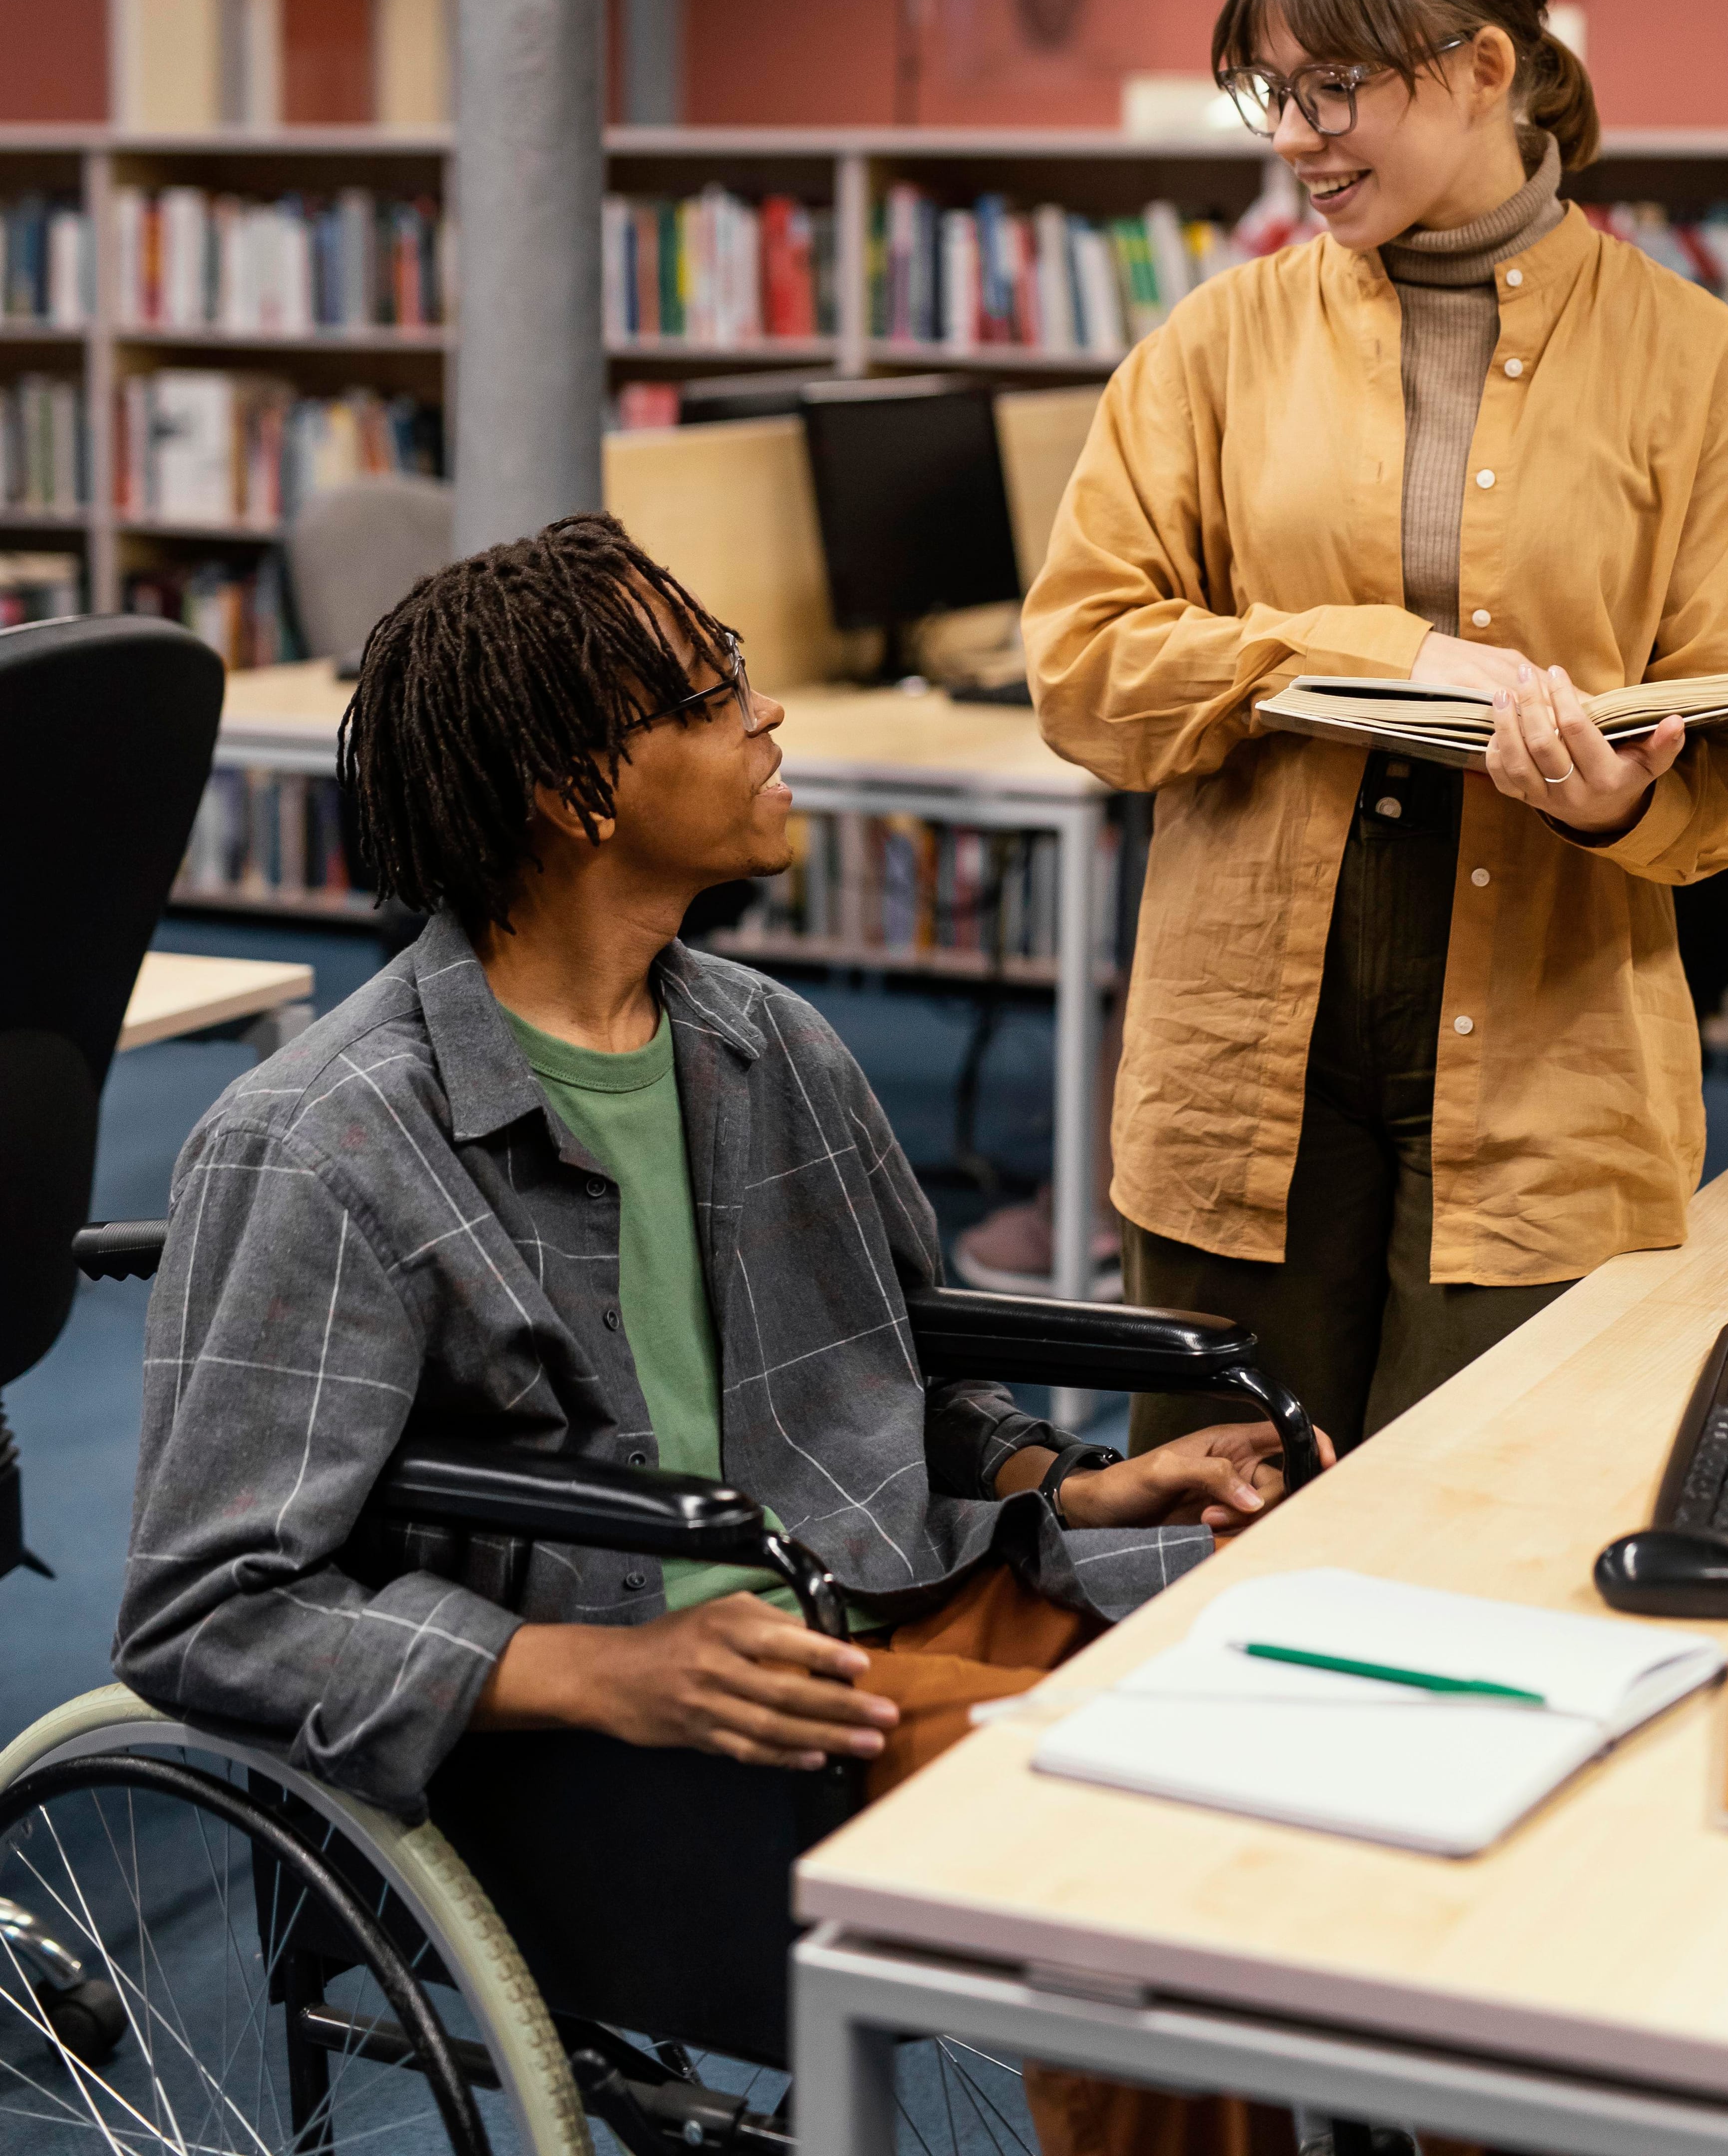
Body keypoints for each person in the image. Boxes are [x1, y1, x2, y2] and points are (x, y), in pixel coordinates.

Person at [115, 513, 1329, 2156]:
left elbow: (904, 1377)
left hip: (890, 1592)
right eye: (709, 697)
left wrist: (1075, 1482)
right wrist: (606, 1672)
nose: (768, 720)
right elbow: (213, 1606)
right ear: (576, 794)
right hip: (633, 1740)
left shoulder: (770, 1042)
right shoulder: (323, 1146)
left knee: (1335, 1707)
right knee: (1129, 1846)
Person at [1025, 0, 1728, 1467]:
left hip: (1549, 1061)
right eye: (1274, 92)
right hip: (1242, 1056)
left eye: (1337, 90)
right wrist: (1378, 655)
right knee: (1205, 1532)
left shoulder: (1701, 365)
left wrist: (1612, 809)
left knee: (1480, 1537)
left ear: (1484, 69)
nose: (1295, 137)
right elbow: (1083, 668)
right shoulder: (1212, 346)